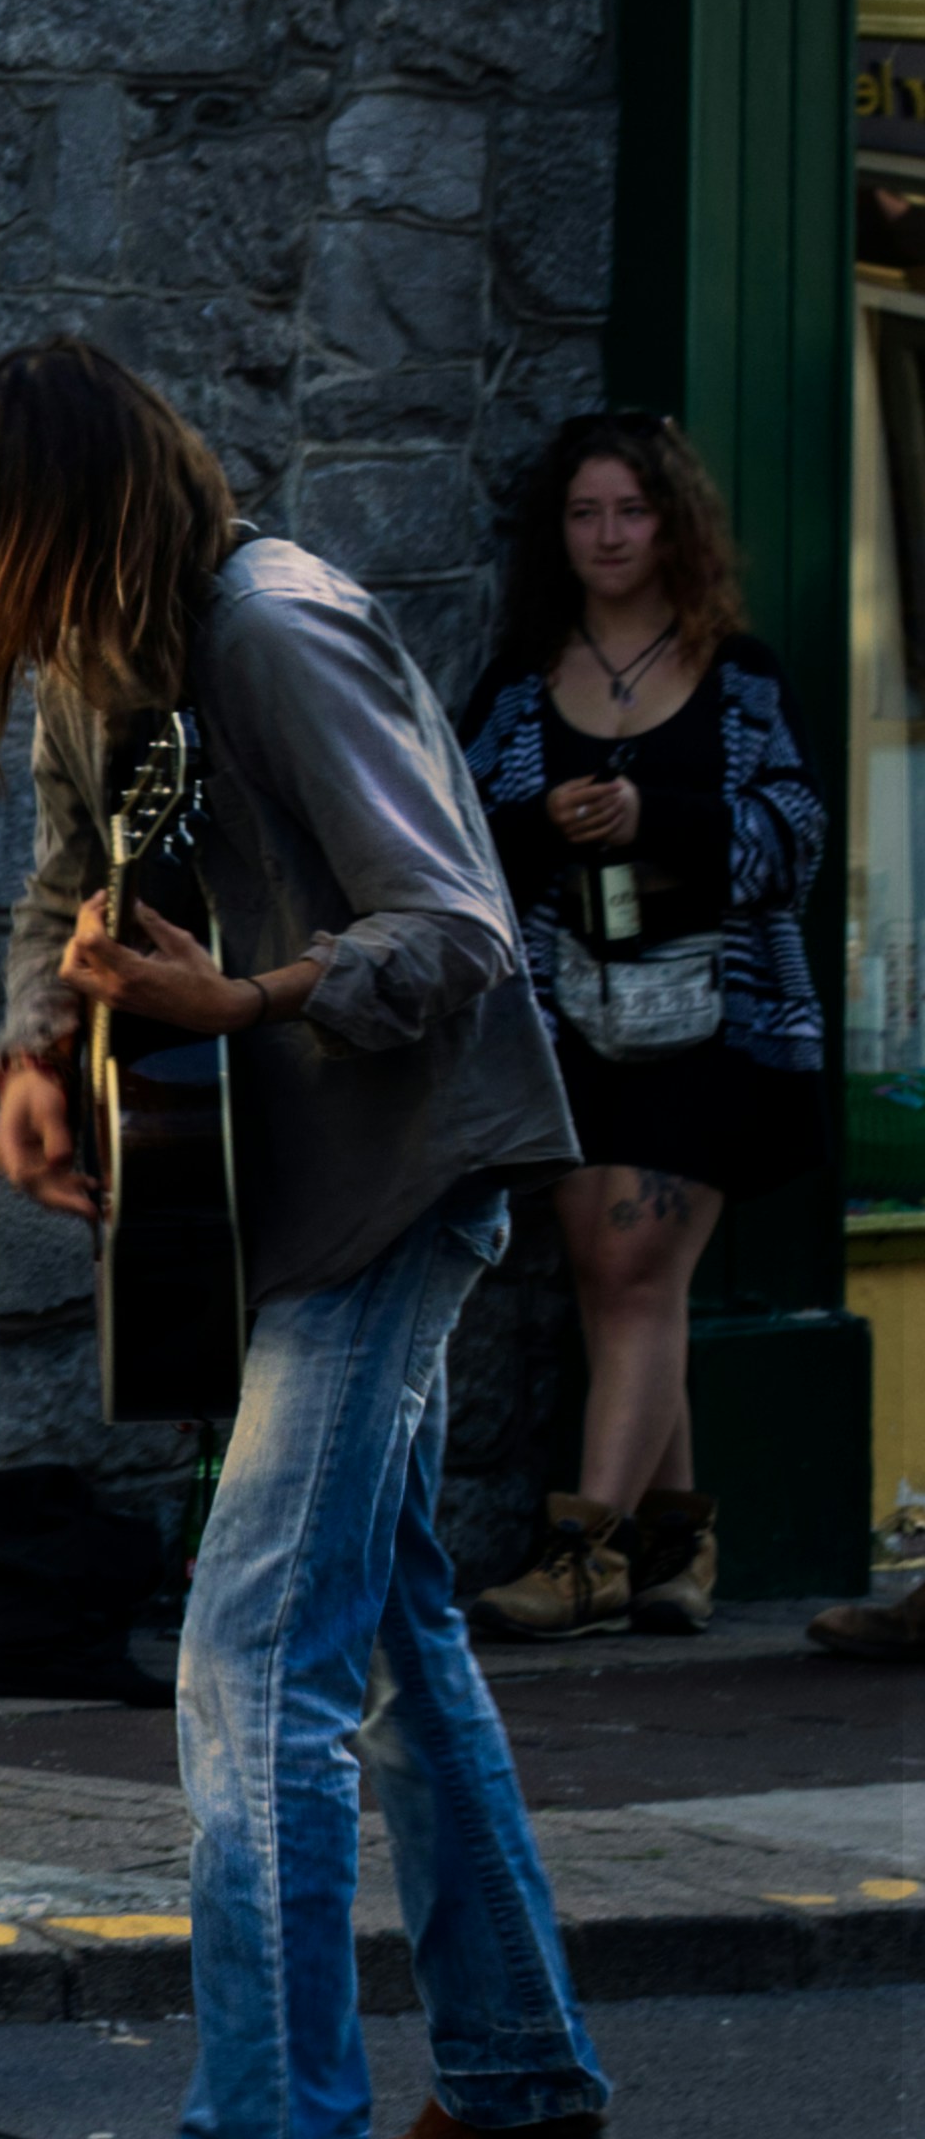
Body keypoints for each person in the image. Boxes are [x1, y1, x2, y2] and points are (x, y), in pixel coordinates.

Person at [0, 336, 611, 2139]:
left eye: (12, 555)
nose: (5, 610)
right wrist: (31, 1051)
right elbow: (64, 880)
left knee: (247, 1661)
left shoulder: (275, 632)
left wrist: (250, 1000)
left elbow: (457, 927)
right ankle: (517, 2074)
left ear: (75, 520)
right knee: (393, 1640)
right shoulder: (103, 653)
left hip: (397, 1186)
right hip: (277, 1198)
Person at [444, 415, 833, 1646]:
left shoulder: (739, 674)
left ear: (673, 524)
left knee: (629, 1274)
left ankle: (584, 1554)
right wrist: (548, 823)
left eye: (631, 510)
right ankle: (677, 1545)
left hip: (719, 1025)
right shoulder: (521, 685)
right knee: (620, 1283)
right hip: (569, 1022)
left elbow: (796, 840)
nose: (608, 535)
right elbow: (450, 838)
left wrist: (653, 817)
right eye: (585, 514)